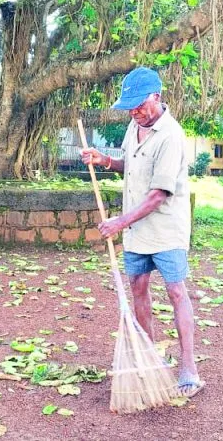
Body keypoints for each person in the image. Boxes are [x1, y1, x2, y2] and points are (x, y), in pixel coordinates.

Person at [80, 67, 203, 398]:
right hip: (136, 232)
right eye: (130, 107)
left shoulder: (171, 135)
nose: (134, 112)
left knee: (177, 292)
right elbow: (132, 167)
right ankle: (149, 357)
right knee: (139, 288)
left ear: (157, 98)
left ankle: (188, 367)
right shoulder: (134, 127)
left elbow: (158, 194)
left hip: (165, 230)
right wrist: (104, 159)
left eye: (139, 106)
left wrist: (120, 222)